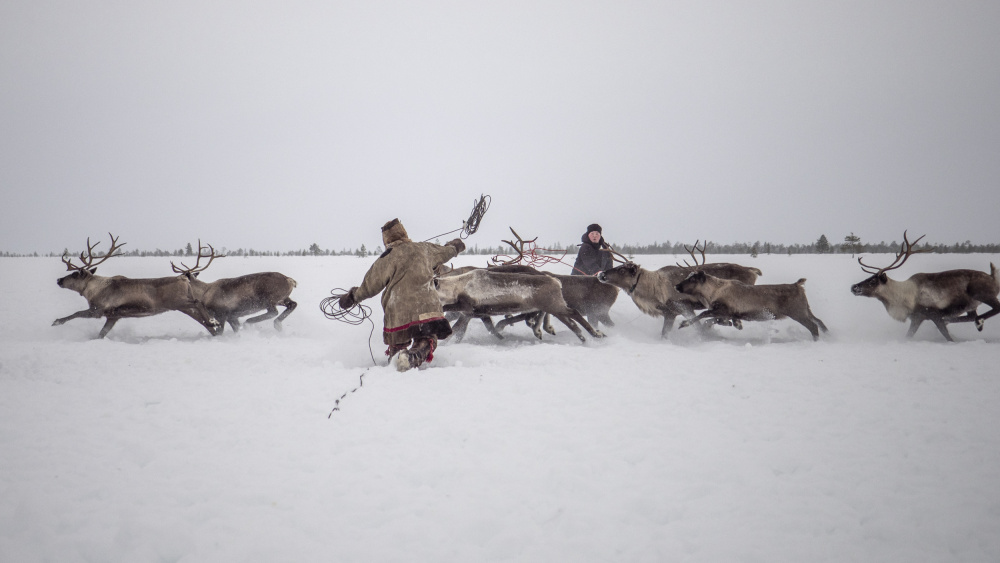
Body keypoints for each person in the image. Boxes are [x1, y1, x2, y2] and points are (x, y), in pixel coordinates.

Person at [339, 218, 465, 371]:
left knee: (398, 342)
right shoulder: (423, 248)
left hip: (398, 312)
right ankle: (413, 357)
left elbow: (369, 287)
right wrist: (455, 246)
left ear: (386, 240)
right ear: (404, 233)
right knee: (426, 338)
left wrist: (352, 297)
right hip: (426, 307)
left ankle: (397, 360)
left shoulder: (385, 259)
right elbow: (445, 252)